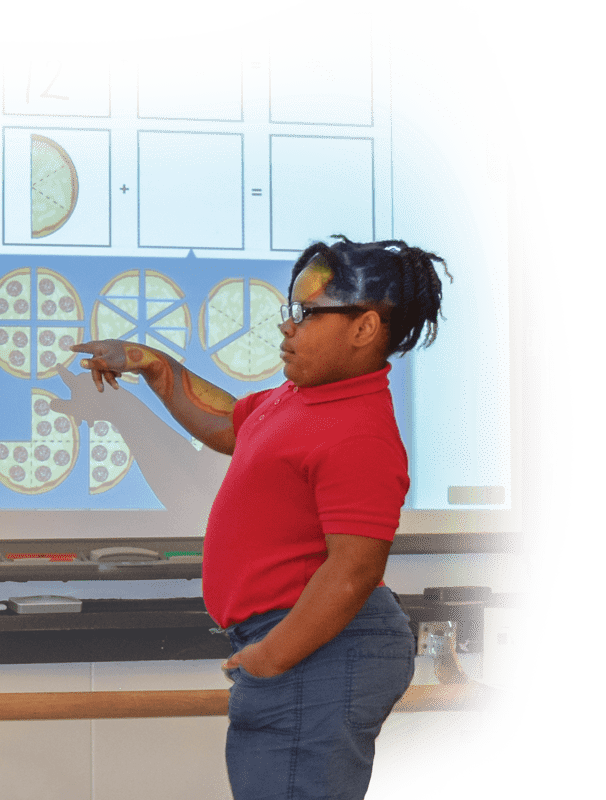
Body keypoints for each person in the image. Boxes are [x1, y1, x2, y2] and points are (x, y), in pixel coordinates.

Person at [70, 235, 453, 800]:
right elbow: (226, 423)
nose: (287, 326)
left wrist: (271, 658)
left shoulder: (361, 431)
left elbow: (354, 572)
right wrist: (148, 362)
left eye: (305, 313)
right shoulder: (298, 399)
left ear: (365, 327)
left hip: (320, 647)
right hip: (305, 645)